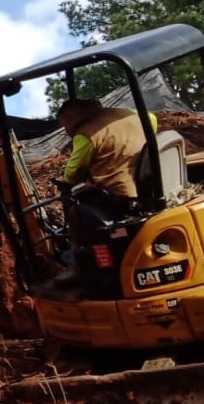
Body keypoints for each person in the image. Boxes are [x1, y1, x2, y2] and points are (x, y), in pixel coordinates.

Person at [53, 97, 157, 284]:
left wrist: (65, 180)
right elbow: (153, 123)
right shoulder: (134, 115)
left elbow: (73, 173)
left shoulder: (86, 135)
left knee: (72, 199)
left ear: (71, 119)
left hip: (121, 197)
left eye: (64, 125)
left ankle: (79, 259)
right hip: (147, 186)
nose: (65, 130)